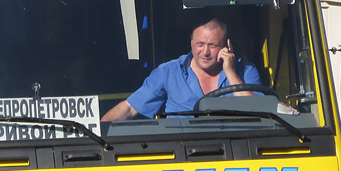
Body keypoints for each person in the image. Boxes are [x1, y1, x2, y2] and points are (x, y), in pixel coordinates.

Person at [103, 19, 262, 121]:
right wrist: (98, 135)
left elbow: (258, 112)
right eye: (200, 44)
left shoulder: (246, 71)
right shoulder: (168, 72)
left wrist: (231, 72)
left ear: (226, 46)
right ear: (191, 42)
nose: (205, 52)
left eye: (212, 46)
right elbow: (130, 108)